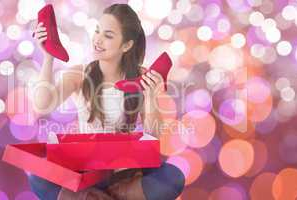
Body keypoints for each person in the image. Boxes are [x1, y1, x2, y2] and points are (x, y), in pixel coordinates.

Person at [29, 3, 185, 200]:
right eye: (97, 31)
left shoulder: (141, 77)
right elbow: (42, 105)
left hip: (123, 173)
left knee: (173, 177)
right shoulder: (80, 74)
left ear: (127, 45)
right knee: (38, 177)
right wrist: (48, 58)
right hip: (85, 172)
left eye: (108, 36)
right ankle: (97, 196)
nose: (97, 40)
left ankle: (106, 196)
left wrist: (152, 96)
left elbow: (154, 136)